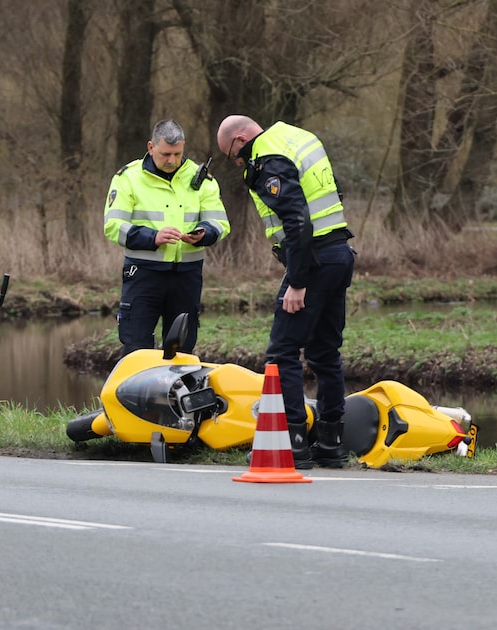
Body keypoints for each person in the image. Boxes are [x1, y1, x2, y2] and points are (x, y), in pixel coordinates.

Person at [216, 115, 355, 469]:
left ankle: (293, 443)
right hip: (339, 252)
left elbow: (295, 220)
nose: (238, 163)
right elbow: (333, 192)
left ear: (241, 138)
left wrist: (297, 281)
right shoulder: (297, 137)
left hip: (315, 260)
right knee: (325, 352)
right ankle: (331, 443)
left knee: (281, 352)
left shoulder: (267, 158)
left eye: (234, 155)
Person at [103, 119, 230, 357]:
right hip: (143, 273)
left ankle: (177, 395)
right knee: (136, 349)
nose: (172, 160)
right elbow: (112, 225)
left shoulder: (201, 179)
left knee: (182, 350)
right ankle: (135, 395)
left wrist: (203, 234)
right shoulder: (127, 178)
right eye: (165, 154)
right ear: (151, 148)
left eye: (177, 154)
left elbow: (220, 223)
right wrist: (153, 237)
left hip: (186, 276)